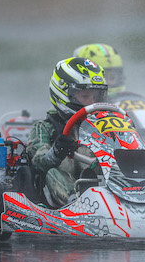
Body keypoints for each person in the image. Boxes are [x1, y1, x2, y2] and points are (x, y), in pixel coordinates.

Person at [26, 57, 108, 207]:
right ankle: (76, 202)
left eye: (96, 96)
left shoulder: (104, 126)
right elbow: (39, 162)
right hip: (64, 192)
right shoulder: (44, 128)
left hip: (100, 184)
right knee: (52, 172)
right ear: (63, 93)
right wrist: (57, 151)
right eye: (85, 96)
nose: (92, 102)